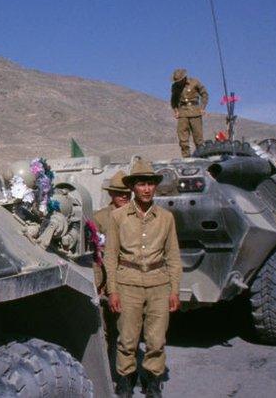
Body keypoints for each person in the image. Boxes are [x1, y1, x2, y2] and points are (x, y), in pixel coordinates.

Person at [104, 159, 182, 398]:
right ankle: (126, 381)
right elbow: (110, 256)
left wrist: (174, 290)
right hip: (128, 285)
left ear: (155, 187)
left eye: (150, 184)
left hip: (159, 284)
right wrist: (113, 291)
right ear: (133, 188)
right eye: (141, 184)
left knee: (156, 340)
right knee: (127, 339)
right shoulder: (118, 217)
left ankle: (152, 381)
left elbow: (174, 256)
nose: (147, 189)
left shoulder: (166, 218)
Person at [91, 170, 131, 376]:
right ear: (111, 194)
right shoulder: (99, 218)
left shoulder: (138, 216)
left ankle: (125, 375)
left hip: (130, 283)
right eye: (118, 192)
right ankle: (105, 376)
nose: (123, 196)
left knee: (127, 332)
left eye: (127, 193)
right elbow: (95, 256)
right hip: (106, 284)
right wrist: (97, 285)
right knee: (103, 331)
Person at [170, 69, 208, 157]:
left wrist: (202, 107)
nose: (178, 83)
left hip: (195, 112)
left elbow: (204, 94)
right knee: (182, 138)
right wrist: (176, 111)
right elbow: (173, 100)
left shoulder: (195, 82)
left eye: (179, 80)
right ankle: (186, 158)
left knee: (198, 138)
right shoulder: (175, 87)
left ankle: (202, 156)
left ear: (184, 78)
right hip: (182, 113)